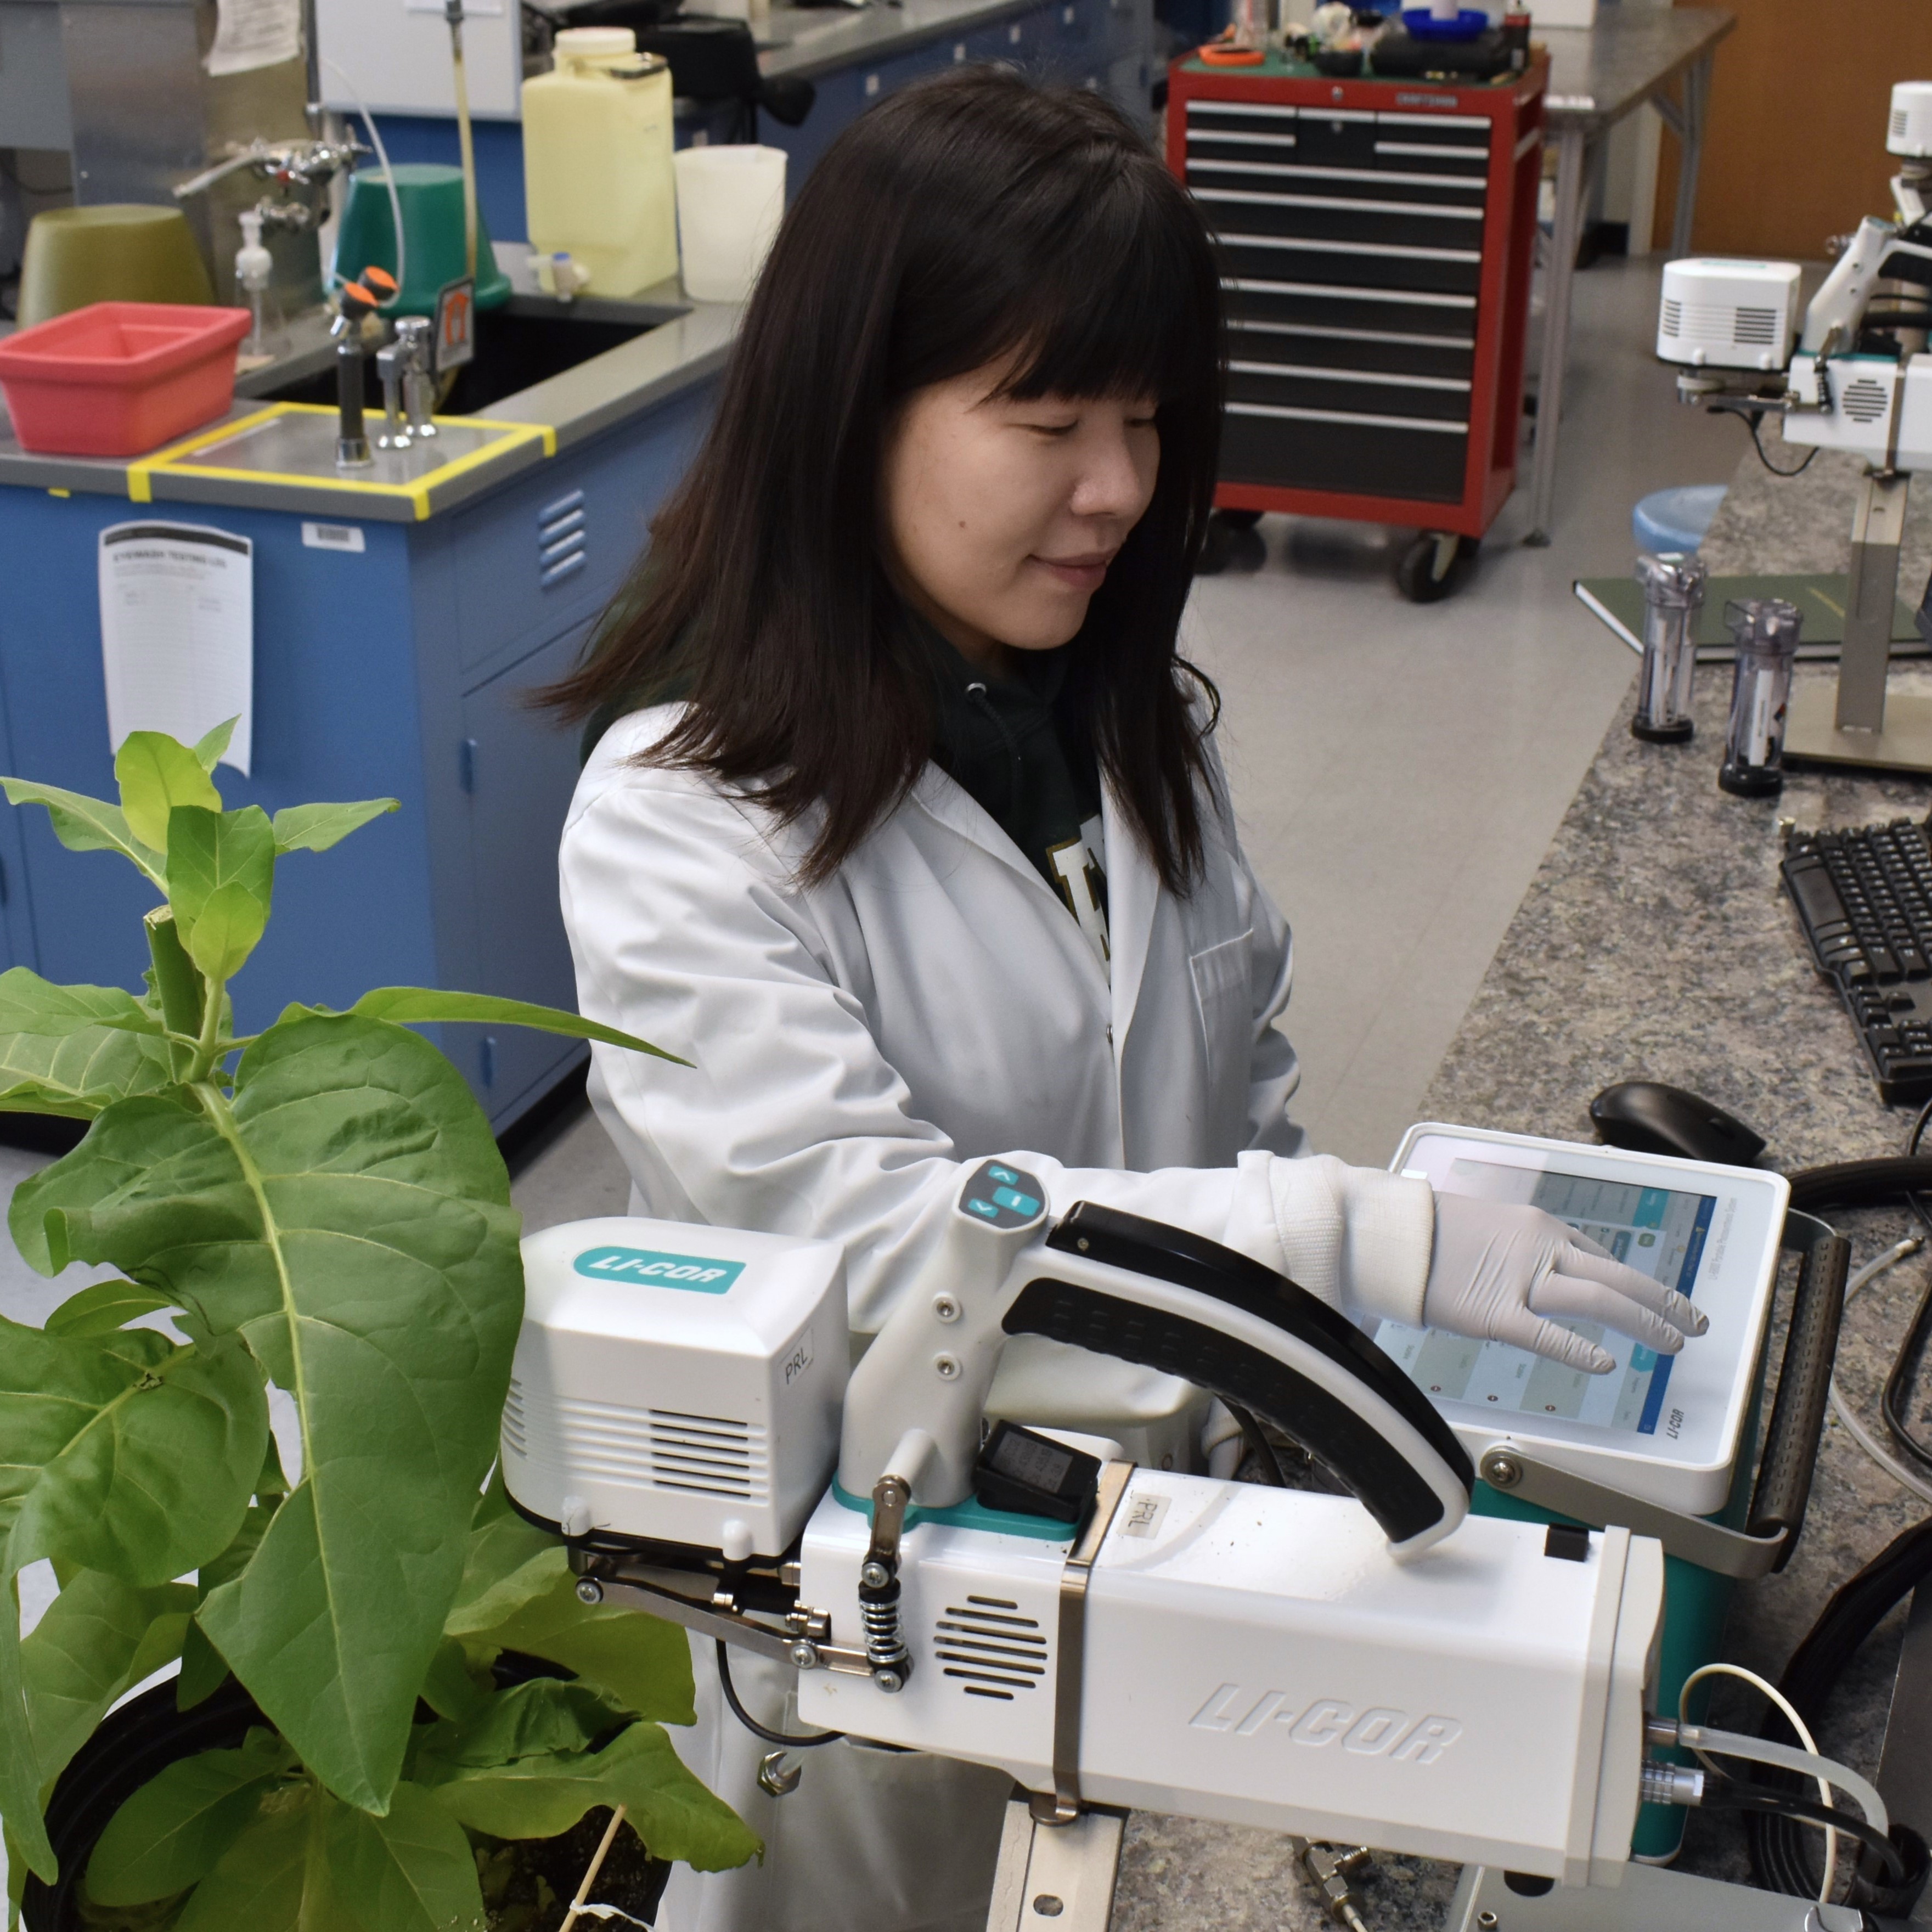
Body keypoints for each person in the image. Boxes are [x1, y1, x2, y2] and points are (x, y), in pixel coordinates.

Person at [546, 68, 1704, 1932]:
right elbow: (875, 1252)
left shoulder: (1122, 723)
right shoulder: (681, 820)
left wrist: (1338, 1356)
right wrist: (1337, 1240)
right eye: (1046, 418)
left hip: (1185, 1571)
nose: (1120, 490)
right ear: (854, 410)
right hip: (890, 1632)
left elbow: (1230, 1096)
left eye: (1149, 420)